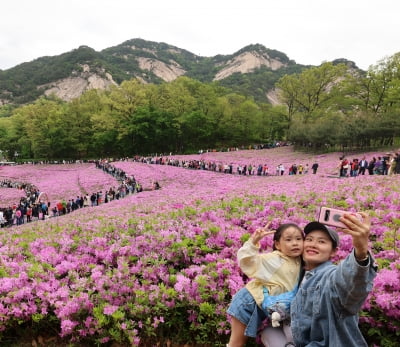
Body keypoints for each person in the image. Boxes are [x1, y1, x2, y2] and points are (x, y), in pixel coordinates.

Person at [261, 213, 377, 347]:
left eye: (321, 241)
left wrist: (361, 251)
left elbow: (351, 282)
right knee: (269, 332)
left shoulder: (330, 275)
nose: (313, 244)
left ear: (334, 251)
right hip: (297, 340)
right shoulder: (299, 273)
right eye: (309, 239)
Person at [227, 223, 303, 347]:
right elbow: (247, 262)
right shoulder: (275, 259)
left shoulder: (300, 260)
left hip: (262, 305)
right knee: (237, 343)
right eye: (288, 239)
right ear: (277, 244)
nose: (295, 243)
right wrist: (253, 242)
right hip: (248, 303)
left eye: (299, 239)